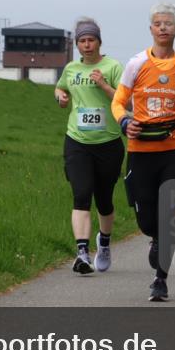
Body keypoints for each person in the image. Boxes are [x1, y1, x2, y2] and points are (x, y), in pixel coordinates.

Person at [111, 4, 175, 302]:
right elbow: (118, 102)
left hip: (174, 149)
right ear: (150, 29)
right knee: (148, 221)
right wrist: (125, 122)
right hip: (140, 150)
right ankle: (154, 237)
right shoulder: (136, 64)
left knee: (168, 215)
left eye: (169, 24)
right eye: (158, 24)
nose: (163, 28)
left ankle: (160, 280)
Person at [54, 18, 124, 275]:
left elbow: (124, 99)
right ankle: (82, 253)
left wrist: (103, 85)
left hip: (108, 143)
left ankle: (103, 243)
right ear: (77, 44)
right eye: (82, 41)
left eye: (90, 40)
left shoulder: (113, 66)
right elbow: (61, 88)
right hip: (77, 141)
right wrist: (60, 96)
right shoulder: (71, 69)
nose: (86, 45)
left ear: (99, 41)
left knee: (104, 200)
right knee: (81, 194)